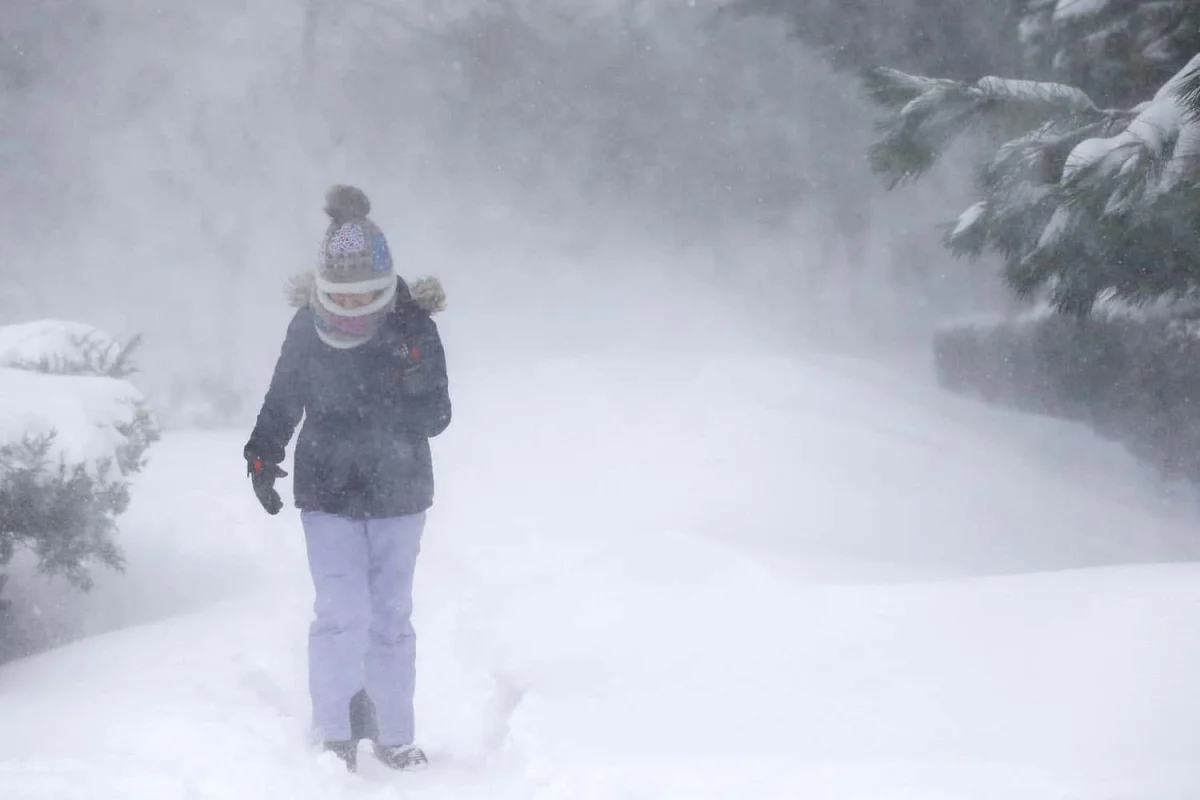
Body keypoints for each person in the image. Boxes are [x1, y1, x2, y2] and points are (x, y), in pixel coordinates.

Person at [243, 184, 451, 773]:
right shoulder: (307, 328)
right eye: (343, 298)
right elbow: (283, 398)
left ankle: (392, 735)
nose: (354, 310)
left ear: (384, 287)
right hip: (327, 491)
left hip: (400, 494)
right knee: (340, 611)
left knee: (389, 614)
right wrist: (262, 453)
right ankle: (335, 735)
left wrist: (401, 384)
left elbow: (437, 415)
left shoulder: (414, 327)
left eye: (365, 298)